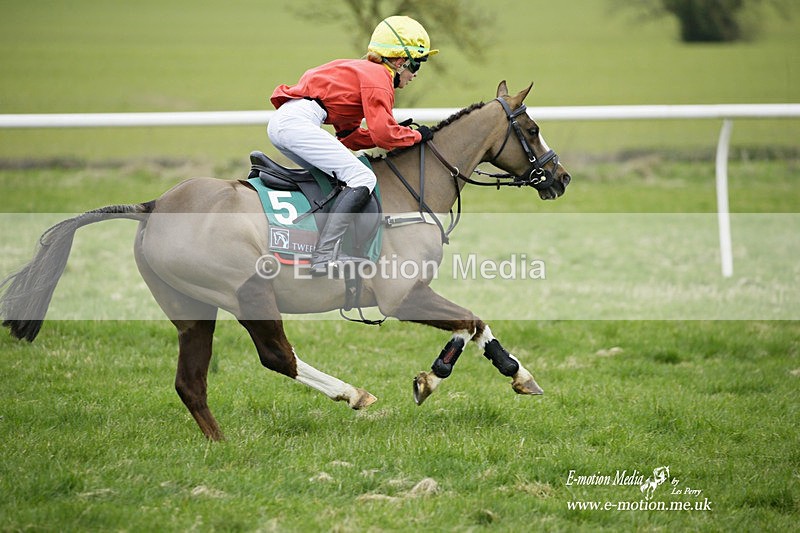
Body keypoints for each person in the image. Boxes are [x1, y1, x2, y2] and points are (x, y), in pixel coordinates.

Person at [268, 15, 438, 275]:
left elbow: (351, 137)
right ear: (401, 60)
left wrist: (398, 133)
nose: (415, 74)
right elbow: (383, 135)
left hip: (288, 123)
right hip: (297, 124)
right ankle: (324, 256)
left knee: (341, 177)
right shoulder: (378, 77)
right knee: (361, 177)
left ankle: (318, 242)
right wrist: (415, 136)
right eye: (417, 65)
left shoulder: (364, 73)